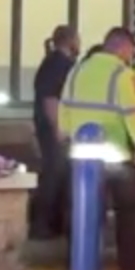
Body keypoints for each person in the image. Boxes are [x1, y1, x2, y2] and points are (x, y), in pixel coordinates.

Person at [56, 26, 135, 270]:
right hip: (115, 155)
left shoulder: (77, 70)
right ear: (123, 47)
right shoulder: (123, 75)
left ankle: (76, 262)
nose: (131, 56)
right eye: (131, 50)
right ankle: (131, 268)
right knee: (126, 212)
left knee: (83, 209)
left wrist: (64, 133)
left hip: (81, 153)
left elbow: (65, 105)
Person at [29, 24, 80, 240]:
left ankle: (56, 224)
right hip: (54, 129)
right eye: (77, 39)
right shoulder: (58, 64)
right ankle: (41, 225)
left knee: (60, 174)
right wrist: (59, 128)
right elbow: (50, 99)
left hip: (50, 127)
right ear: (71, 40)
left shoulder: (51, 62)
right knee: (54, 174)